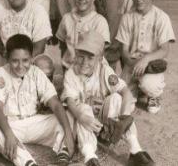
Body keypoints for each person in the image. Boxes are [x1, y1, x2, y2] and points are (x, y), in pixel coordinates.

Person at [62, 31, 155, 166]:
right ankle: (90, 157)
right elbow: (70, 101)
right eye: (81, 56)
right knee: (82, 108)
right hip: (82, 125)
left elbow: (126, 93)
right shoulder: (71, 74)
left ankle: (135, 150)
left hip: (105, 126)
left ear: (100, 58)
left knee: (117, 98)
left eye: (90, 58)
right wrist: (82, 117)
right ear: (75, 55)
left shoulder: (104, 70)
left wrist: (123, 118)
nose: (84, 62)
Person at [0, 34, 75, 166]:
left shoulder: (36, 73)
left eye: (25, 60)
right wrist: (8, 135)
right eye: (14, 60)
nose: (20, 66)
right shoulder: (0, 75)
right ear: (7, 58)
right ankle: (27, 162)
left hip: (34, 123)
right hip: (12, 126)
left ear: (31, 58)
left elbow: (55, 104)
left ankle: (63, 152)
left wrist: (69, 134)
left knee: (67, 117)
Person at [116, 0, 175, 114]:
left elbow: (164, 50)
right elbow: (123, 50)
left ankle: (154, 95)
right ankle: (136, 89)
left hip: (151, 65)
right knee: (120, 104)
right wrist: (130, 62)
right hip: (131, 65)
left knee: (149, 85)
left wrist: (145, 59)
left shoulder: (161, 17)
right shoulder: (127, 18)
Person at [55, 0, 110, 70]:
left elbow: (100, 52)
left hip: (91, 70)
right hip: (70, 68)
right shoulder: (66, 19)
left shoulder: (99, 21)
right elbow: (63, 45)